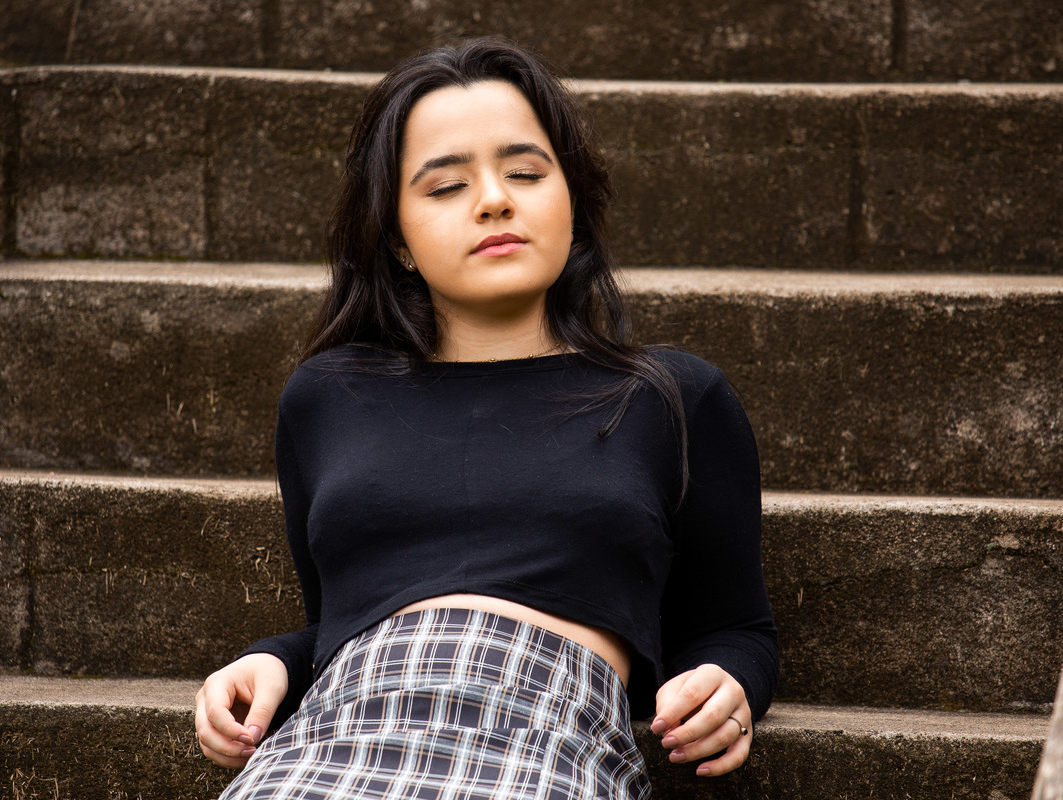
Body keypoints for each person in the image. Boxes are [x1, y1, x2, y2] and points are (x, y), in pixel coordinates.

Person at [195, 36, 779, 799]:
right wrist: (275, 660)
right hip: (329, 748)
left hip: (545, 752)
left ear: (572, 198)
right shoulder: (327, 396)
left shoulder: (671, 396)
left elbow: (735, 627)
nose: (495, 200)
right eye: (445, 186)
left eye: (526, 172)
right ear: (397, 240)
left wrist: (729, 682)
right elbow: (351, 614)